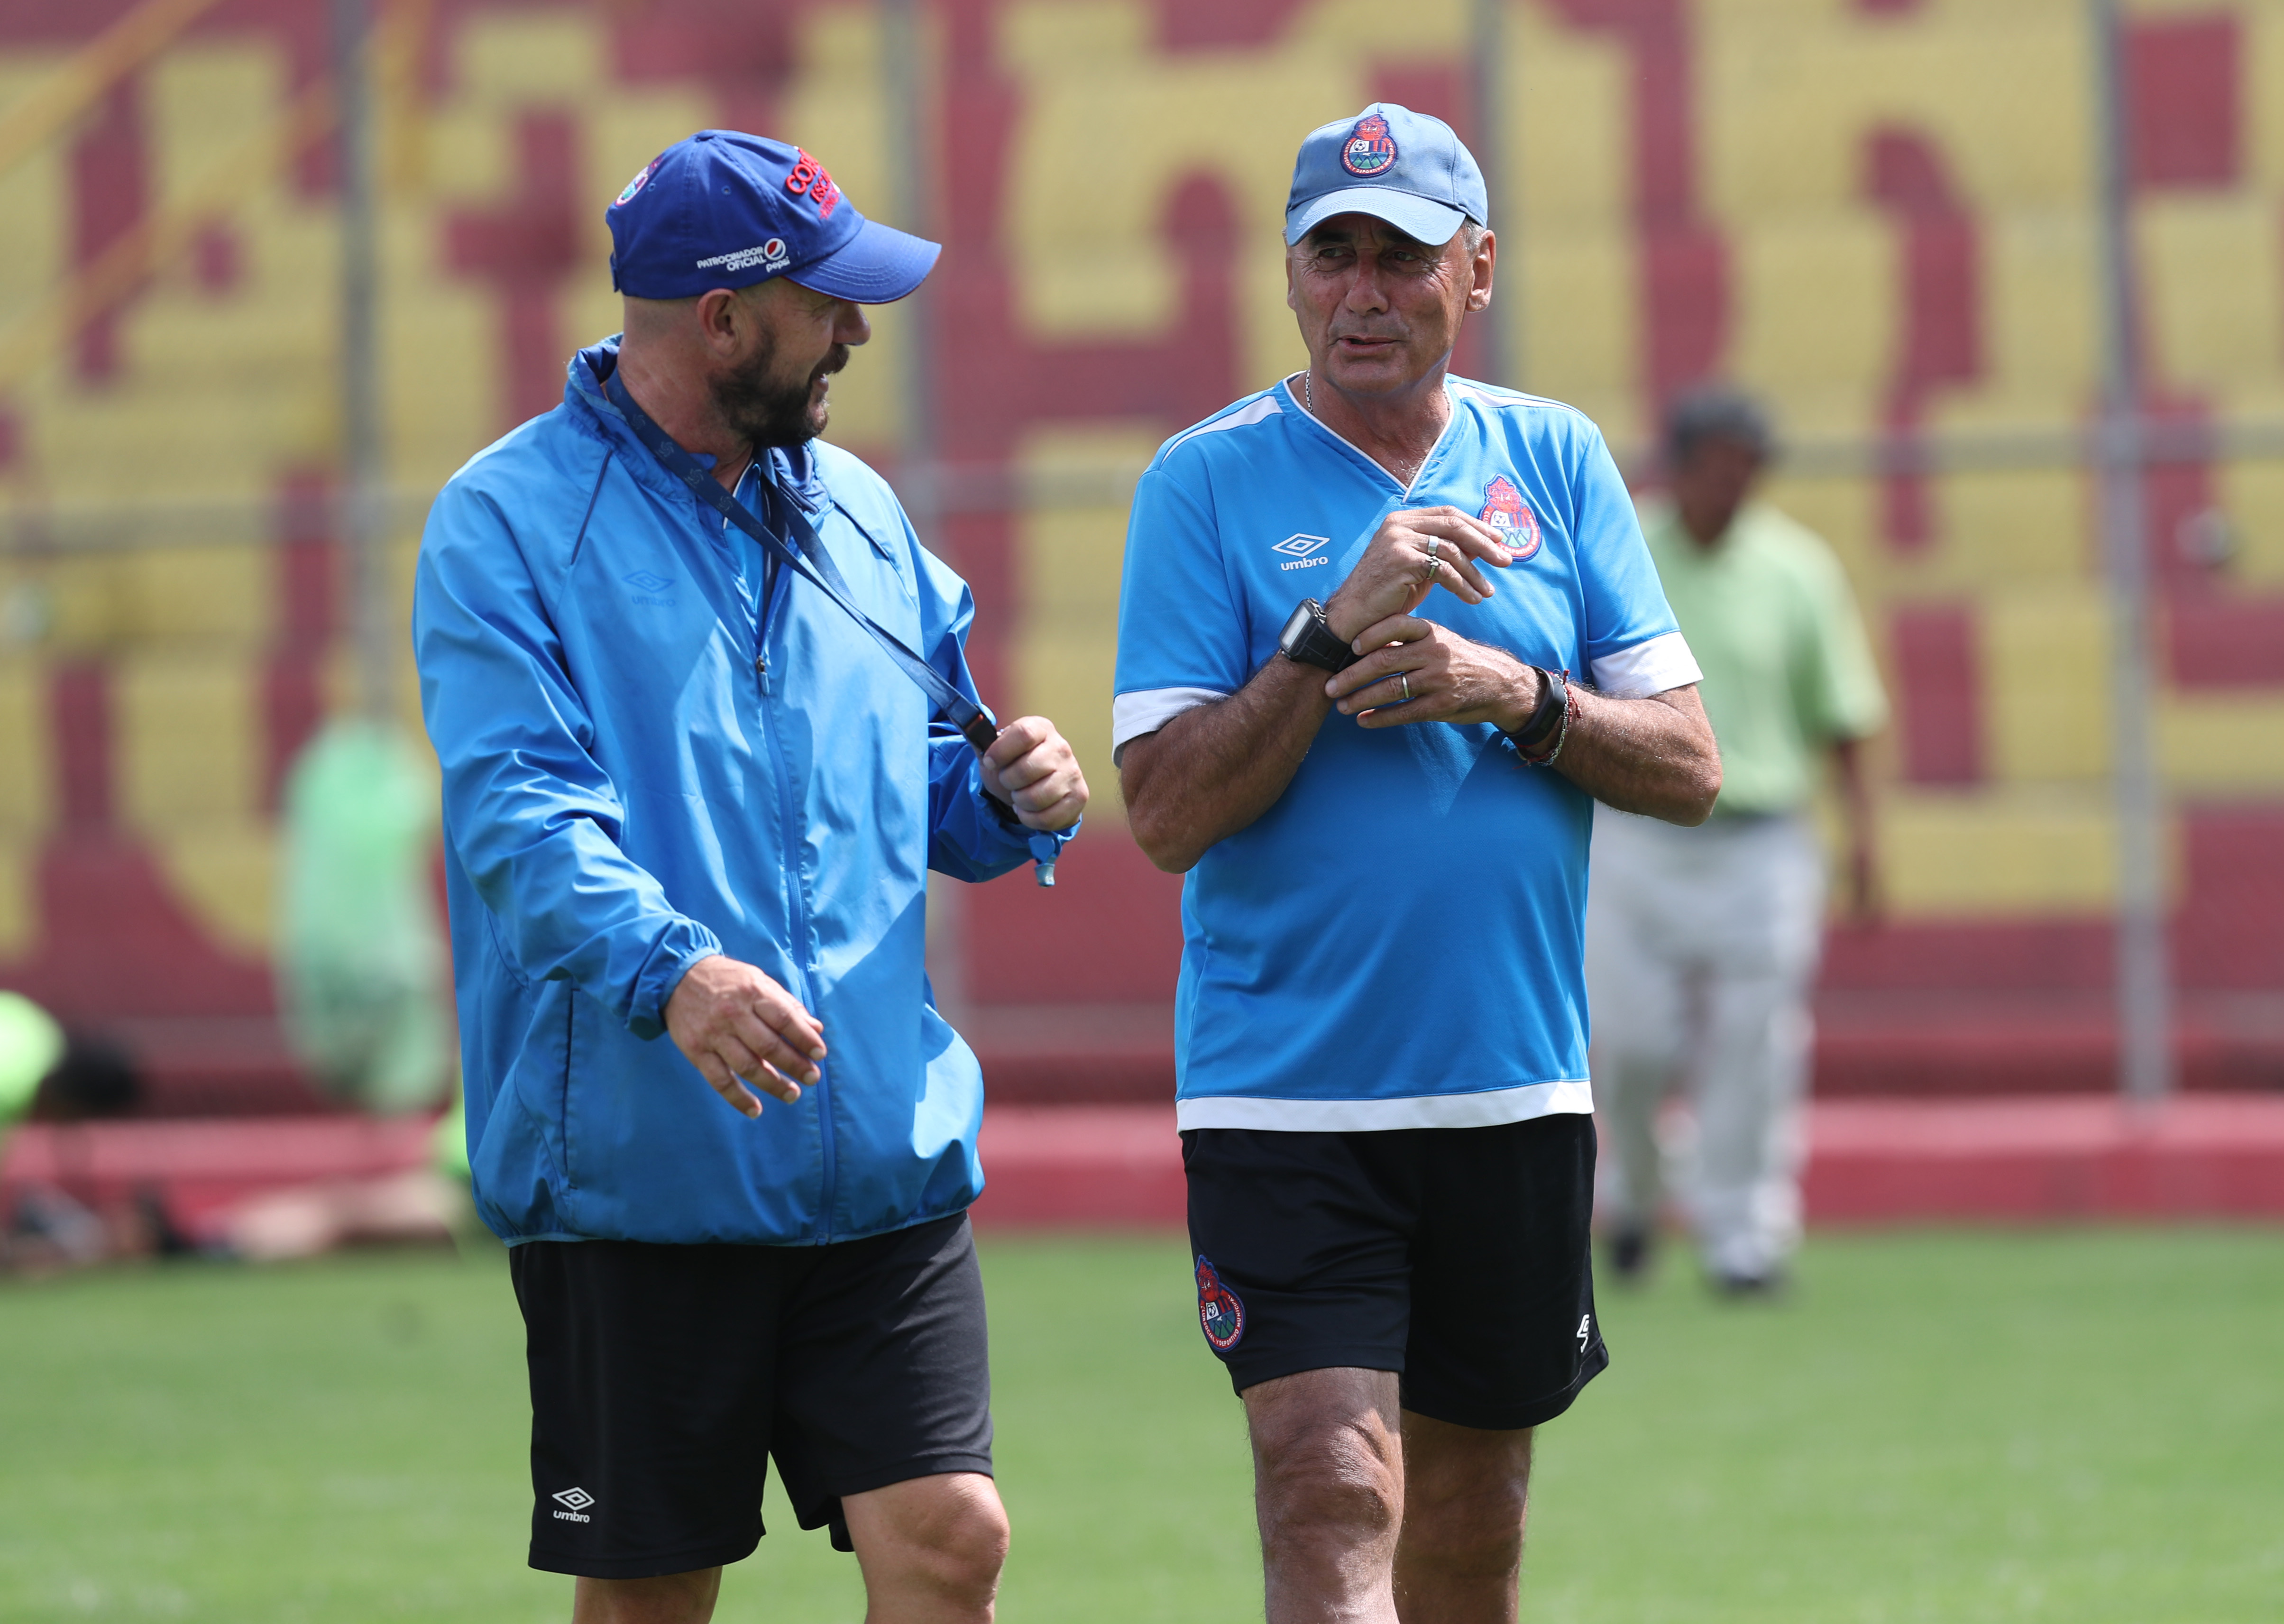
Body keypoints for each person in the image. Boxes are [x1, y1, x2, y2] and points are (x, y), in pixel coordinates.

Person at [413, 130, 1088, 1624]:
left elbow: (928, 764)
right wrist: (679, 972)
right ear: (721, 320)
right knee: (655, 1596)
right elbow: (520, 821)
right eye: (825, 301)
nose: (856, 328)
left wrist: (1000, 792)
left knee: (952, 1534)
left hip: (877, 1159)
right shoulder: (506, 524)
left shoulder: (859, 509)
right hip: (646, 1178)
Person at [1112, 104, 1721, 1624]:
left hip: (1511, 1083)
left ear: (1480, 269)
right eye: (1335, 257)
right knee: (1330, 1483)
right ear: (1292, 275)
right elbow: (1168, 813)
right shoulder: (1203, 482)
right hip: (1287, 1093)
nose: (1365, 293)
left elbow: (1691, 765)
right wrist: (1323, 640)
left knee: (1471, 1524)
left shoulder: (1556, 460)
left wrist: (1513, 694)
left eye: (1403, 257)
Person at [1586, 386, 1889, 1294]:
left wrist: (1863, 833)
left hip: (1760, 836)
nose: (1728, 483)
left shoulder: (1796, 568)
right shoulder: (1619, 545)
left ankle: (1742, 1235)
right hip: (1633, 829)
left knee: (1755, 1044)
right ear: (1676, 466)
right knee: (1627, 1044)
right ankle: (1631, 1197)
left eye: (1744, 467)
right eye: (1713, 464)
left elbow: (1839, 713)